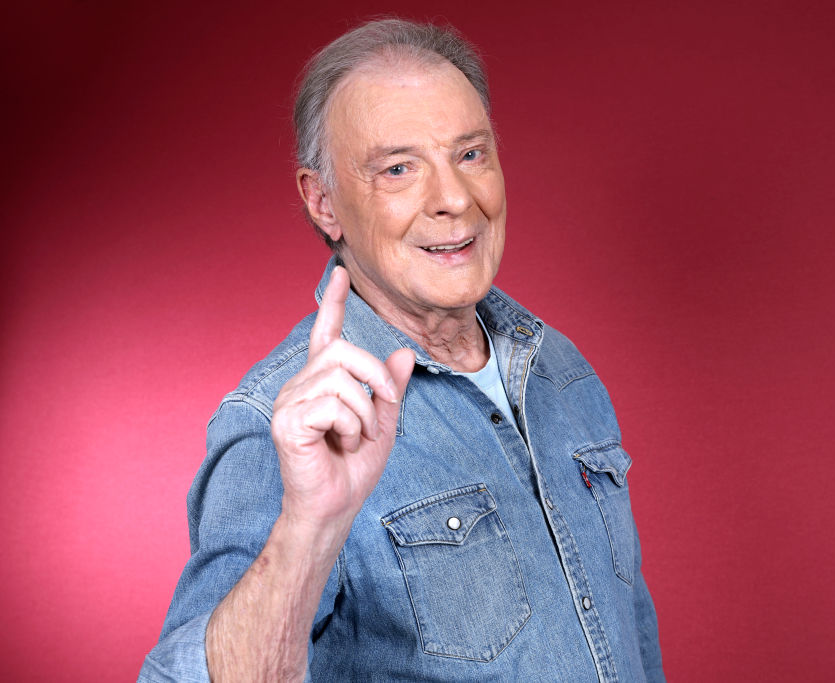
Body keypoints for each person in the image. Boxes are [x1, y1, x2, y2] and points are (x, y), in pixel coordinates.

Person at [140, 18, 663, 682]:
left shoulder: (560, 371)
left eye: (471, 154)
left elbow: (631, 636)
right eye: (398, 168)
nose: (454, 199)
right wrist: (308, 528)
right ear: (324, 203)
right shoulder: (286, 426)